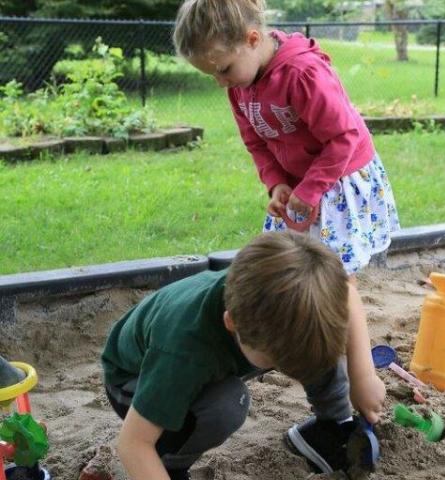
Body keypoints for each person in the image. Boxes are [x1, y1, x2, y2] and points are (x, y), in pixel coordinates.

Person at [173, 0, 396, 473]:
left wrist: (310, 191)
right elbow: (256, 142)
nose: (221, 83)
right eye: (212, 75)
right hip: (298, 190)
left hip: (337, 185)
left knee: (335, 282)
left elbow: (344, 138)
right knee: (300, 282)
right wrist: (276, 182)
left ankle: (361, 378)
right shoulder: (242, 83)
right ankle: (331, 408)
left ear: (253, 39)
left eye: (224, 69)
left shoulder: (304, 75)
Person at [102, 231, 384, 480]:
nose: (289, 372)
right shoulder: (186, 351)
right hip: (135, 380)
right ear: (231, 324)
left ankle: (329, 429)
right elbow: (133, 444)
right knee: (227, 404)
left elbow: (346, 292)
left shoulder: (288, 293)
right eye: (277, 363)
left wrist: (363, 376)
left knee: (315, 335)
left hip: (223, 349)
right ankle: (171, 463)